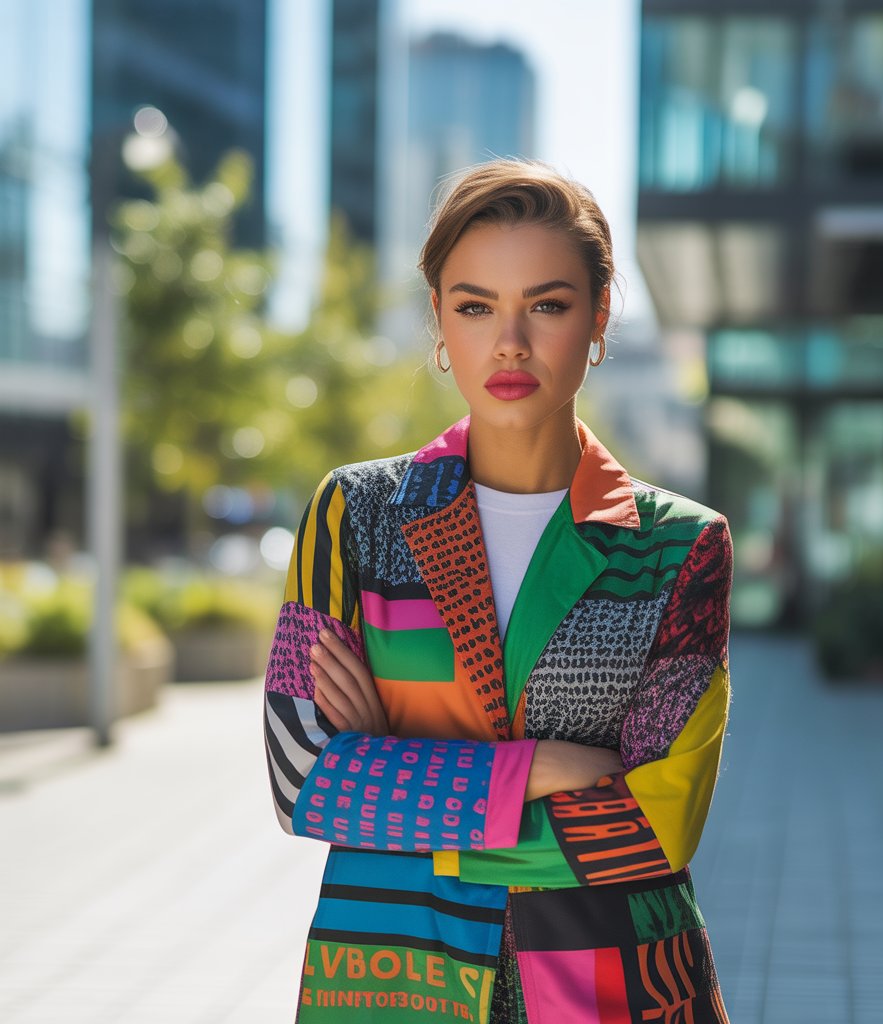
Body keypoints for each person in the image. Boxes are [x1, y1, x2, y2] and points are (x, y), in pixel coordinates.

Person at [263, 159, 734, 1023]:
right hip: (393, 980)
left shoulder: (680, 548)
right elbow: (302, 779)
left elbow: (655, 826)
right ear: (440, 320)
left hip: (615, 988)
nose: (508, 342)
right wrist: (543, 771)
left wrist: (398, 793)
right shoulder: (352, 516)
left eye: (546, 305)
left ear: (597, 320)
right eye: (475, 305)